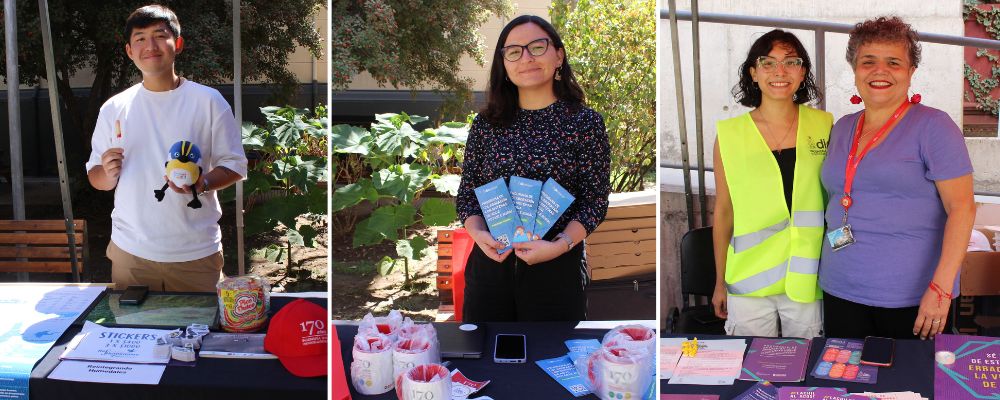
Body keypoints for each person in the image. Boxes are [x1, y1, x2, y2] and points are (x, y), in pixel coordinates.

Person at [819, 16, 975, 340]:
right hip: (840, 286)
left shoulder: (935, 127)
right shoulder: (842, 127)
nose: (880, 71)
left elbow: (962, 208)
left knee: (908, 389)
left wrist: (941, 288)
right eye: (868, 62)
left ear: (911, 71)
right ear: (854, 69)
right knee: (847, 386)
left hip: (912, 297)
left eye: (894, 62)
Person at [455, 15, 610, 322]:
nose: (525, 58)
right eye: (513, 51)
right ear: (504, 63)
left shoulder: (584, 123)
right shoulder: (487, 124)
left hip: (556, 272)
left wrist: (559, 245)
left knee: (551, 362)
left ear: (559, 55)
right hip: (490, 268)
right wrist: (477, 234)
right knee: (486, 360)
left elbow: (594, 201)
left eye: (537, 47)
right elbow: (467, 194)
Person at [86, 5, 247, 292]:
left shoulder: (208, 101)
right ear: (129, 51)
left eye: (160, 35)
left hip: (195, 254)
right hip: (131, 254)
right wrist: (108, 174)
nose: (150, 46)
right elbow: (95, 176)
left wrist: (205, 182)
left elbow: (234, 165)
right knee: (134, 333)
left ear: (178, 44)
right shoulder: (114, 108)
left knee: (200, 334)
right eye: (140, 38)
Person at [711, 29, 830, 338]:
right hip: (749, 279)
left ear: (803, 72)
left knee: (805, 370)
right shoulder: (729, 134)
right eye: (768, 63)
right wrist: (719, 282)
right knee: (750, 372)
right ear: (753, 72)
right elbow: (724, 212)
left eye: (791, 62)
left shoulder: (825, 126)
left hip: (808, 277)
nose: (780, 72)